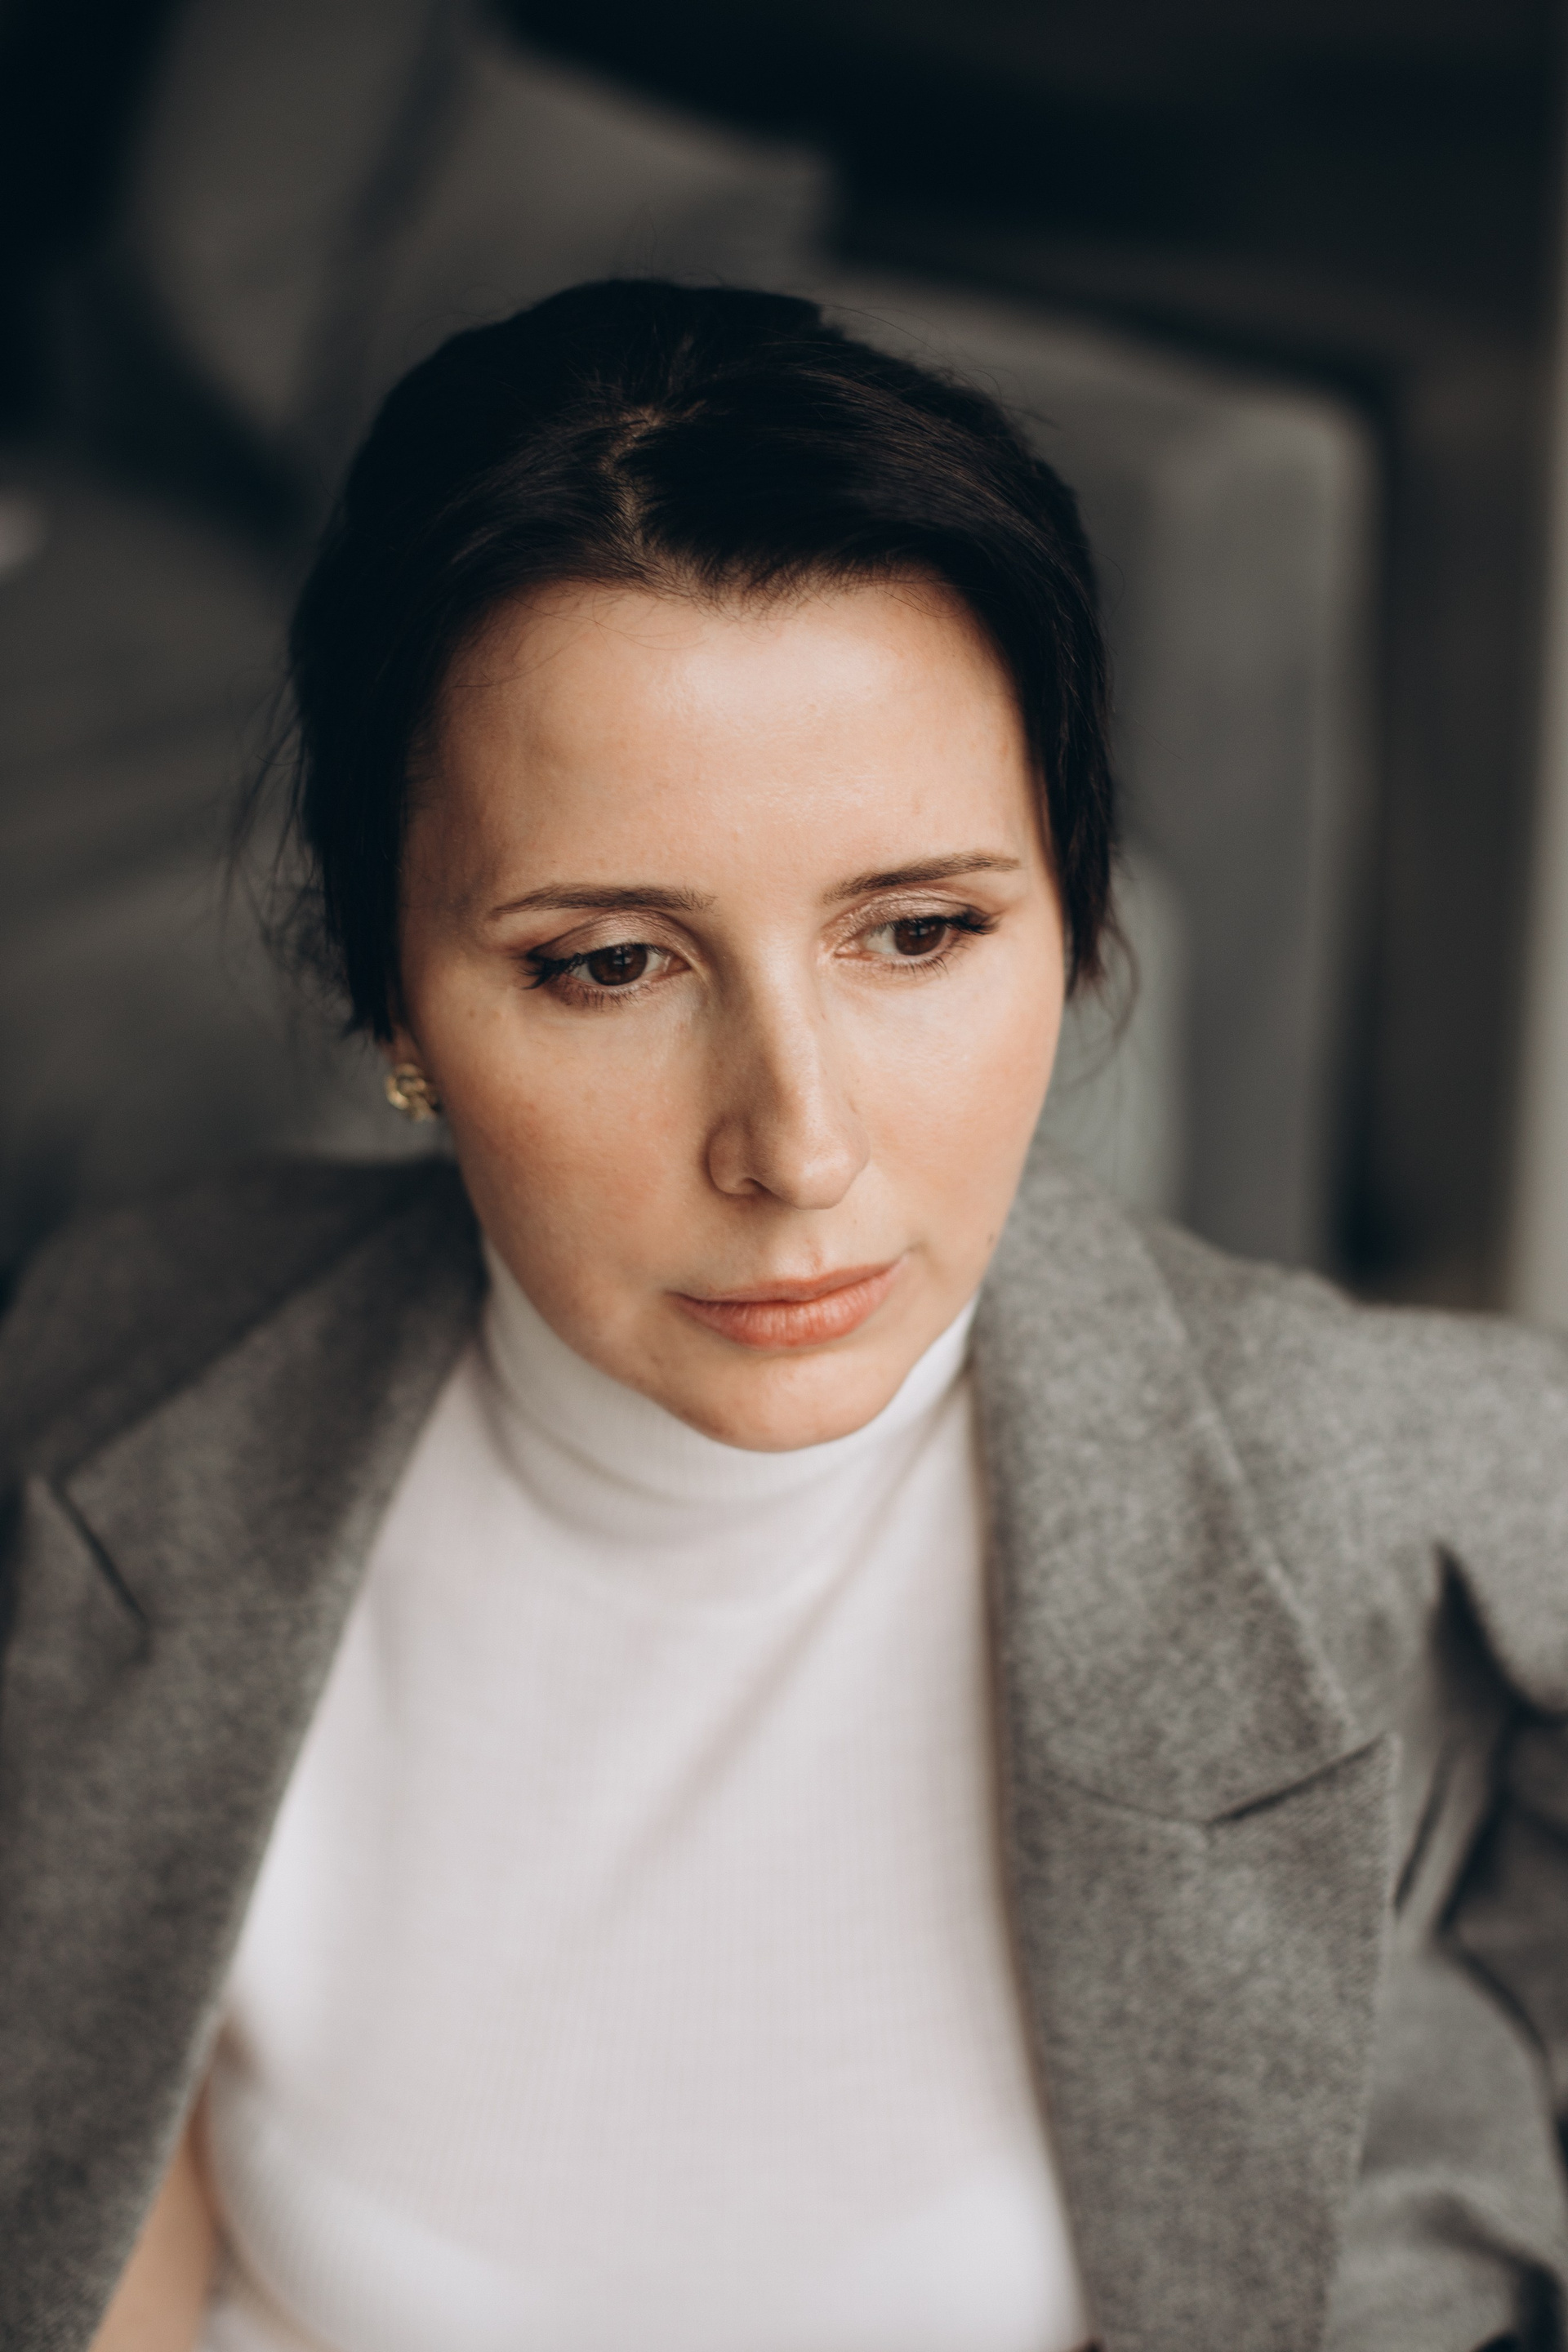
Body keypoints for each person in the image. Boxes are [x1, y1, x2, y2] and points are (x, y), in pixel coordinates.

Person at [1, 280, 1565, 2352]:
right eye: (610, 965)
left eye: (917, 932)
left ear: (1077, 922)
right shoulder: (126, 1362)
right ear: (392, 1002)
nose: (800, 1148)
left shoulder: (1416, 1517)